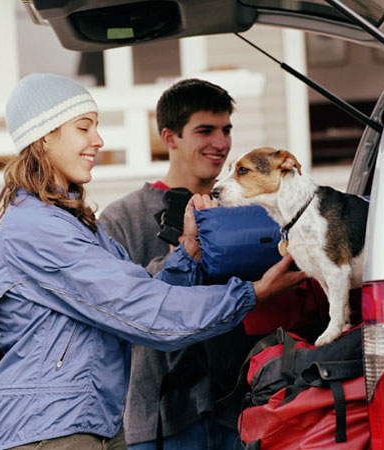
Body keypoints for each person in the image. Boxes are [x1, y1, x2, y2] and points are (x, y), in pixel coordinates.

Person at [0, 73, 306, 450]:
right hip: (49, 430)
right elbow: (140, 309)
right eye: (84, 128)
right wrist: (251, 293)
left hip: (87, 423)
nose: (98, 140)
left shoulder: (69, 222)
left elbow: (140, 289)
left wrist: (189, 250)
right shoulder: (40, 229)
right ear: (45, 136)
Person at [99, 79, 257, 450]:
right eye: (205, 130)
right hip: (160, 422)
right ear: (169, 137)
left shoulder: (249, 209)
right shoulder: (122, 218)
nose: (220, 143)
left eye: (226, 130)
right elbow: (118, 312)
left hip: (240, 412)